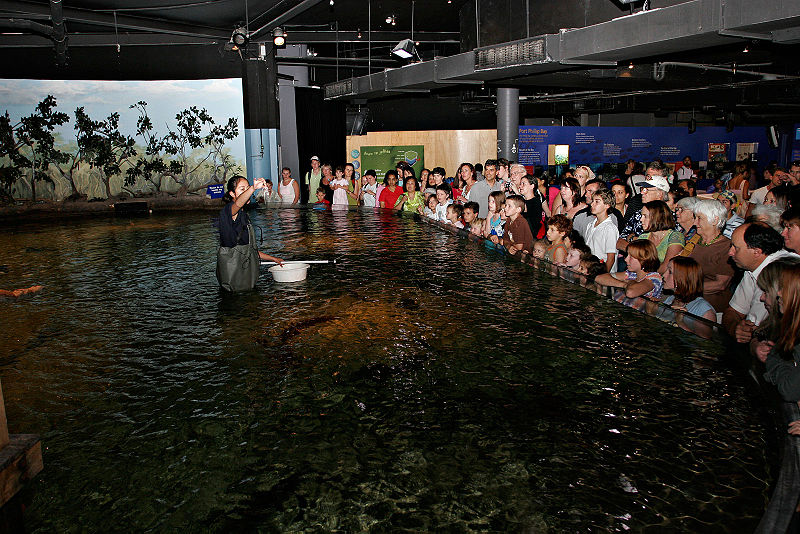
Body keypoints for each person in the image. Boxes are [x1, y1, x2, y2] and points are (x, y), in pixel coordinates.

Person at [723, 222, 796, 343]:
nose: (730, 252)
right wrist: (736, 328)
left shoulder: (787, 271)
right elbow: (733, 312)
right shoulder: (751, 268)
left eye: (736, 247)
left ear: (756, 252)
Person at [217, 176, 284, 290]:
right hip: (233, 274)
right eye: (242, 189)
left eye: (247, 188)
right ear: (232, 194)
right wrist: (253, 188)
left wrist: (273, 259)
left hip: (245, 271)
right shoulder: (229, 211)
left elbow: (249, 250)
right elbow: (237, 205)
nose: (247, 191)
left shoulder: (244, 215)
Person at [680, 198, 734, 313]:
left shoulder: (726, 247)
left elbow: (721, 284)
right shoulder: (695, 240)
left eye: (699, 218)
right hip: (686, 301)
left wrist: (687, 289)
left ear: (715, 220)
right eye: (695, 218)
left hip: (711, 307)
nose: (695, 223)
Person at [661, 256, 717, 336]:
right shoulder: (671, 299)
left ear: (682, 278)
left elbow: (702, 345)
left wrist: (680, 322)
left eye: (670, 272)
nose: (664, 275)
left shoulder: (703, 310)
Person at [596, 240, 663, 299]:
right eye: (627, 255)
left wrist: (630, 282)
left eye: (631, 257)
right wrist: (624, 285)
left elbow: (631, 293)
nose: (626, 259)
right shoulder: (631, 274)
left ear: (643, 259)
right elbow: (599, 278)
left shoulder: (654, 278)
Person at [631, 200, 685, 274]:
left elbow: (666, 267)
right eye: (641, 216)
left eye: (645, 216)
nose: (641, 220)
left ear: (657, 217)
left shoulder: (675, 236)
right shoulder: (643, 237)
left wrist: (644, 275)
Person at [584, 189, 619, 273]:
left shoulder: (609, 228)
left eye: (597, 202)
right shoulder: (590, 225)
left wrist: (603, 276)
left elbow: (611, 258)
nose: (592, 204)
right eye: (593, 201)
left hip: (602, 273)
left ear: (607, 205)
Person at [520, 175, 544, 239]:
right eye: (520, 184)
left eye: (523, 184)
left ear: (532, 186)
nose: (520, 186)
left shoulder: (536, 201)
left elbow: (532, 222)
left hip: (531, 236)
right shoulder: (523, 200)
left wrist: (518, 194)